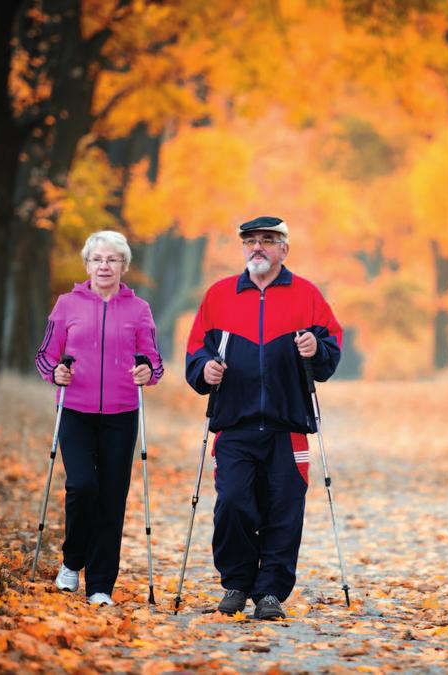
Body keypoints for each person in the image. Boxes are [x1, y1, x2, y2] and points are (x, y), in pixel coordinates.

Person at [185, 216, 342, 620]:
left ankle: (270, 592)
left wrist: (315, 348)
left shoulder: (306, 295)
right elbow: (195, 351)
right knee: (234, 504)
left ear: (283, 249)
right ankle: (236, 584)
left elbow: (331, 351)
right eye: (251, 241)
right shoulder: (219, 295)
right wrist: (204, 369)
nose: (258, 247)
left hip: (287, 426)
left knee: (284, 509)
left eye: (268, 241)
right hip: (234, 424)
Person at [35, 230, 164, 607]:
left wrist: (147, 373)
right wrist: (56, 373)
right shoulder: (66, 304)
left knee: (111, 498)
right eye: (97, 259)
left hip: (122, 414)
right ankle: (72, 561)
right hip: (75, 410)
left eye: (112, 260)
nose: (104, 266)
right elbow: (46, 355)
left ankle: (101, 585)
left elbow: (153, 361)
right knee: (82, 487)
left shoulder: (139, 309)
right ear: (87, 264)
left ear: (124, 266)